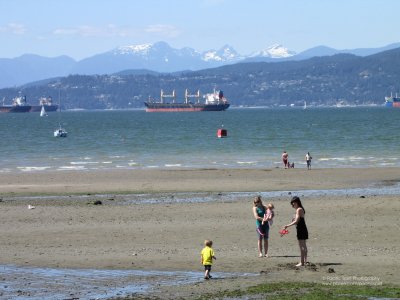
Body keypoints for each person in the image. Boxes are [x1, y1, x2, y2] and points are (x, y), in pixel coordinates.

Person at [283, 196, 308, 267]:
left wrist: (287, 225)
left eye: (293, 203)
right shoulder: (300, 209)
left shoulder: (299, 209)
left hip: (301, 229)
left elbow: (296, 221)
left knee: (302, 246)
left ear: (296, 202)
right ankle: (305, 261)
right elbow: (297, 220)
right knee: (304, 246)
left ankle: (302, 262)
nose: (292, 205)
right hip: (302, 228)